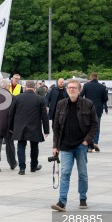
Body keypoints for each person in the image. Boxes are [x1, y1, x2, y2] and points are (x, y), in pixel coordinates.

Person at [51, 79, 99, 212]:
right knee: (65, 173)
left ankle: (83, 198)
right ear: (66, 90)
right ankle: (62, 202)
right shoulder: (61, 104)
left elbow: (95, 124)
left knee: (82, 173)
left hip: (81, 145)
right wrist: (55, 145)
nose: (71, 89)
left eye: (74, 88)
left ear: (79, 90)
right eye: (69, 88)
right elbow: (56, 126)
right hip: (65, 145)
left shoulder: (87, 104)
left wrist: (87, 140)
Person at [8, 80, 49, 175]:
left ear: (25, 87)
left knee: (21, 146)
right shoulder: (40, 99)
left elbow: (11, 114)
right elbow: (44, 116)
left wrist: (10, 127)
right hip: (35, 126)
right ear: (34, 88)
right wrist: (46, 130)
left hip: (20, 126)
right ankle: (33, 166)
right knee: (34, 146)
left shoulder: (17, 98)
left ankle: (22, 168)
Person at [80, 73, 108, 152]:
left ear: (90, 77)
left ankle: (89, 145)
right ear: (97, 78)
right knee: (97, 126)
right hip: (98, 109)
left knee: (87, 126)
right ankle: (95, 142)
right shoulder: (102, 87)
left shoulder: (86, 85)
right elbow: (105, 99)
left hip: (87, 108)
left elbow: (81, 96)